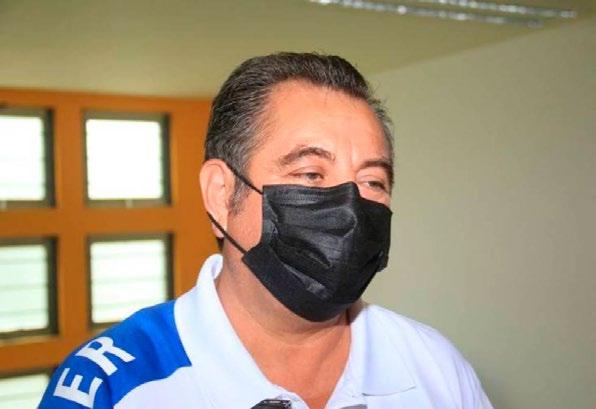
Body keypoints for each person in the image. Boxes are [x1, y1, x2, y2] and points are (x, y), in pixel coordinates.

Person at [39, 52, 493, 409]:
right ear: (222, 194)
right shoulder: (111, 389)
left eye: (373, 182)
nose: (352, 209)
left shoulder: (435, 368)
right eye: (310, 174)